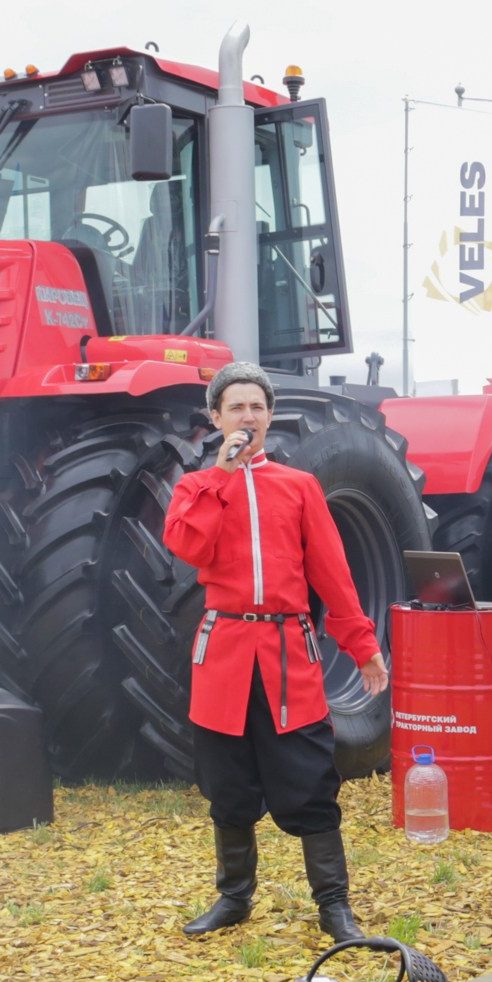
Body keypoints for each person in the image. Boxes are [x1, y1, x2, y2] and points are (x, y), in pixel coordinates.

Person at [163, 363, 389, 941]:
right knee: (228, 783)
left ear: (269, 416)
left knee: (310, 778)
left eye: (257, 407)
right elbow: (188, 546)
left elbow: (333, 574)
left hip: (288, 653)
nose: (248, 417)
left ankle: (334, 906)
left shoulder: (299, 486)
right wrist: (221, 476)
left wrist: (362, 646)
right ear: (216, 418)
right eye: (236, 407)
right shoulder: (195, 488)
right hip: (224, 654)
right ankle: (234, 897)